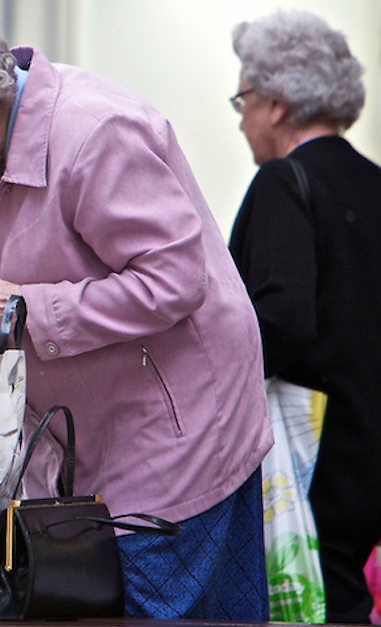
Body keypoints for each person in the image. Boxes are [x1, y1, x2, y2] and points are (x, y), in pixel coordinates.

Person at [0, 1, 272, 620]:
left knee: (160, 607)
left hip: (177, 428)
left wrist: (24, 307)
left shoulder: (96, 134)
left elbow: (175, 278)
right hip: (76, 440)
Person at [227, 11, 381, 623]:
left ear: (276, 103)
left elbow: (283, 322)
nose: (240, 118)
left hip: (313, 454)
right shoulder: (373, 184)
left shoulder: (283, 183)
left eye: (244, 99)